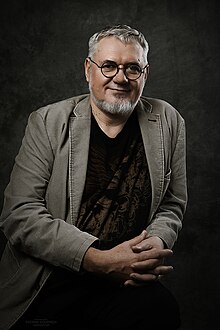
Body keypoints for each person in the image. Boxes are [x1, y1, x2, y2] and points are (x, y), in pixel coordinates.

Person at [0, 24, 187, 330]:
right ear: (89, 69)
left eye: (132, 68)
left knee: (160, 310)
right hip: (51, 278)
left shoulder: (167, 121)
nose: (121, 77)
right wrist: (99, 261)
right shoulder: (48, 122)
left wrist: (153, 243)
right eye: (109, 65)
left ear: (145, 74)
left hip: (124, 280)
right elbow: (19, 214)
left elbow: (172, 202)